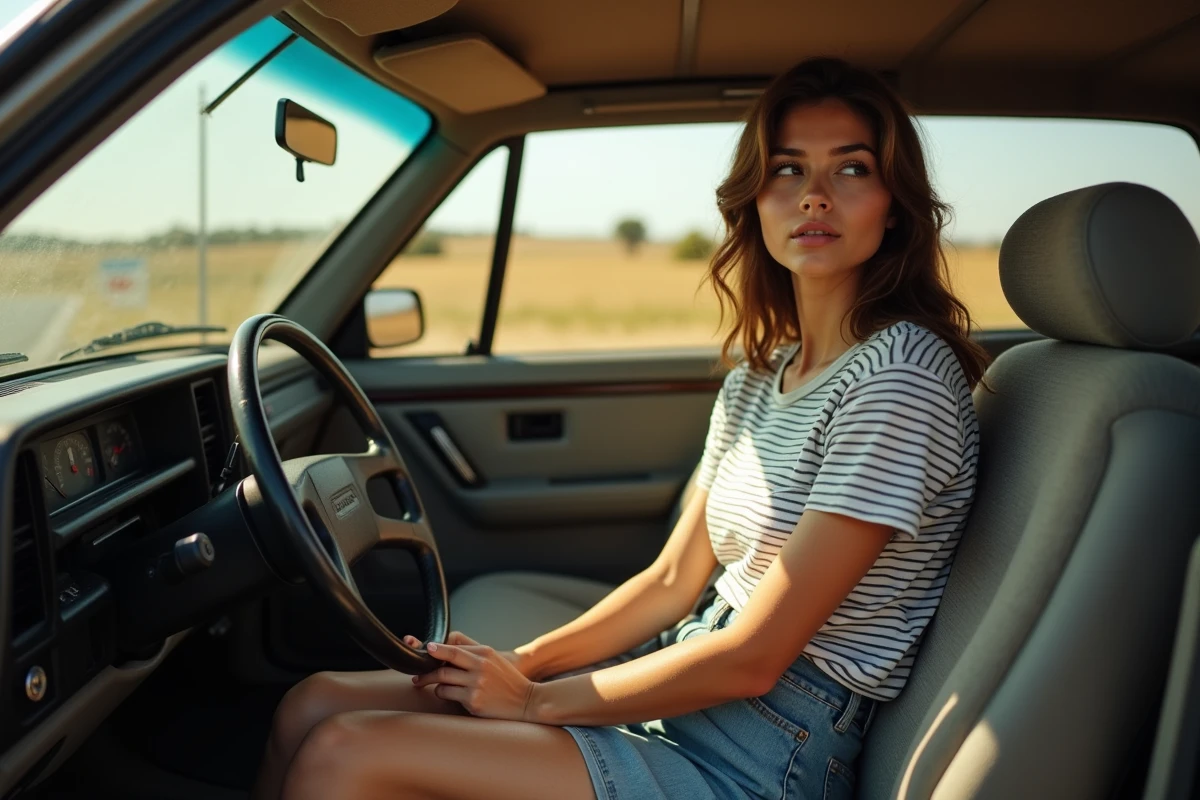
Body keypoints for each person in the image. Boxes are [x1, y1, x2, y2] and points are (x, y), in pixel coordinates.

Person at [256, 56, 987, 800]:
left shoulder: (901, 378)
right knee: (311, 704)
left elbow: (757, 657)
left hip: (769, 751)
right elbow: (673, 581)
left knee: (344, 753)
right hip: (692, 672)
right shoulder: (762, 378)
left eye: (852, 169)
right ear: (756, 201)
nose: (816, 198)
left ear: (893, 204)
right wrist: (525, 661)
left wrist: (534, 700)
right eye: (789, 171)